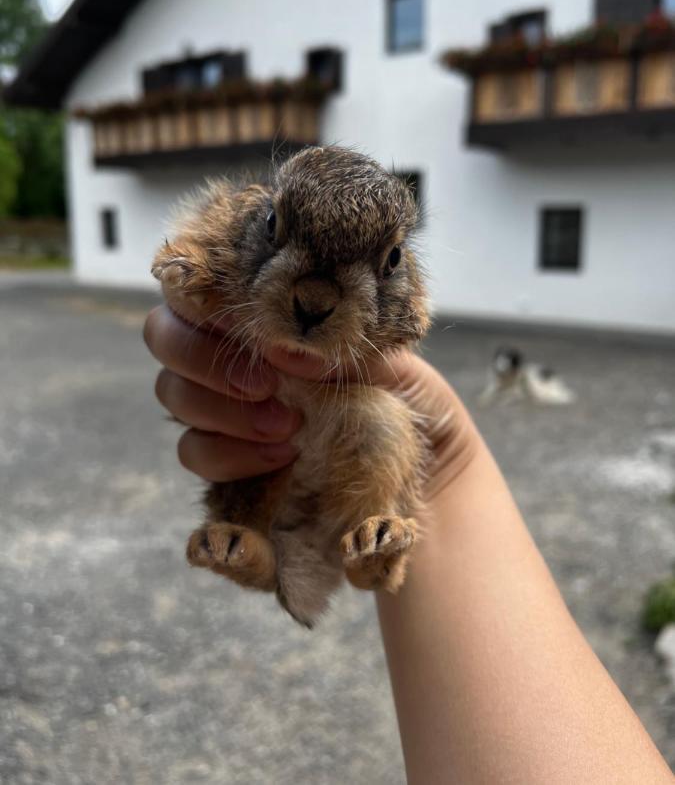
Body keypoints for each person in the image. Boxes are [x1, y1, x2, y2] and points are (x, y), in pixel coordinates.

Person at [143, 305, 673, 784]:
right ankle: (262, 554)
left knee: (382, 433)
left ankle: (370, 558)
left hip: (352, 434)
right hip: (280, 437)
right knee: (249, 475)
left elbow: (408, 318)